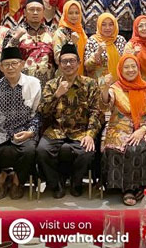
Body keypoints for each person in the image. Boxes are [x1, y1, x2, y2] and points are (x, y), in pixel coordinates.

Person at [0, 46, 41, 200]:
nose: (10, 68)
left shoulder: (33, 83)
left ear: (22, 64)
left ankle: (18, 181)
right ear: (1, 68)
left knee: (29, 151)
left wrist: (31, 132)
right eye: (6, 65)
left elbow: (38, 113)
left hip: (25, 129)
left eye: (14, 63)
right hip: (0, 131)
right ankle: (0, 179)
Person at [37, 43, 103, 198]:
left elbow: (96, 112)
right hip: (56, 130)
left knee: (87, 152)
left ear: (79, 63)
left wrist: (90, 134)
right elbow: (43, 112)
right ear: (59, 64)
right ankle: (55, 184)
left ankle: (77, 182)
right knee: (42, 151)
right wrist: (57, 95)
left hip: (81, 131)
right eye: (64, 61)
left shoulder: (90, 84)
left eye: (72, 61)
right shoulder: (51, 84)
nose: (68, 64)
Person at [100, 55, 146, 206]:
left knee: (143, 147)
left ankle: (141, 186)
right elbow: (104, 106)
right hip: (118, 128)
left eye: (133, 66)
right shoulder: (115, 88)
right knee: (123, 147)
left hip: (144, 128)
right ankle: (127, 189)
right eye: (126, 67)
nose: (130, 70)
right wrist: (105, 88)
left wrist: (143, 129)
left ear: (138, 68)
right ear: (120, 69)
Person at [4, 0, 56, 88]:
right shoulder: (14, 32)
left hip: (48, 87)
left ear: (43, 12)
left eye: (38, 10)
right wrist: (16, 38)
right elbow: (6, 58)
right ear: (24, 12)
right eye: (31, 9)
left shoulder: (52, 33)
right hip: (21, 87)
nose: (35, 12)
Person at [84, 13, 126, 83]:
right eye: (103, 24)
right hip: (99, 85)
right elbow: (87, 67)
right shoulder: (92, 41)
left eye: (111, 24)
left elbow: (125, 62)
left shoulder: (120, 40)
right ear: (99, 25)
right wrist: (97, 53)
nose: (107, 28)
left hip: (119, 84)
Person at [52, 0, 87, 75]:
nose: (74, 16)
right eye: (70, 13)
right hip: (65, 76)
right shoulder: (60, 33)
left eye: (77, 13)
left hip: (81, 76)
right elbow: (58, 59)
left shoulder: (81, 31)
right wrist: (71, 43)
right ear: (65, 14)